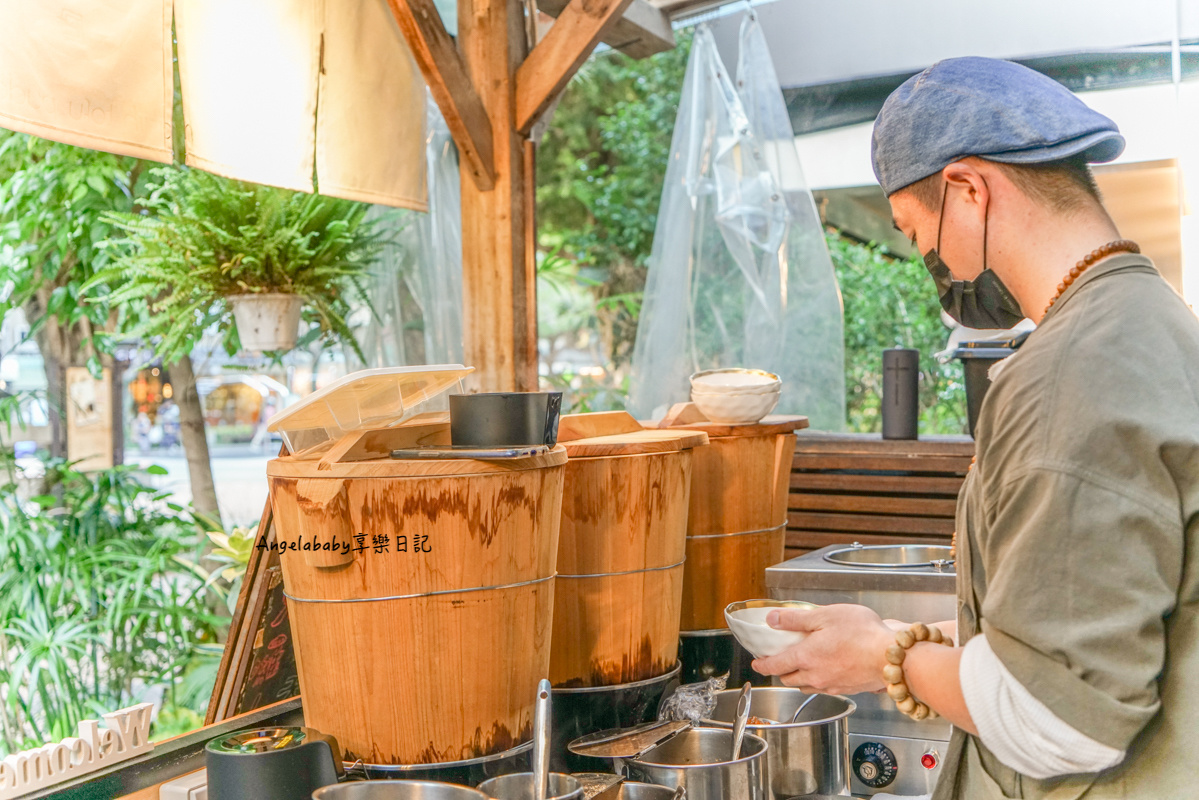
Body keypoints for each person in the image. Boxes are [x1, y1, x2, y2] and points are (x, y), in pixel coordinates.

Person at [752, 57, 1198, 798]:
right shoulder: (1153, 326)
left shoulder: (1072, 372)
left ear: (966, 189)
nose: (929, 261)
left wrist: (884, 654)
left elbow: (1062, 718)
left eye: (914, 229)